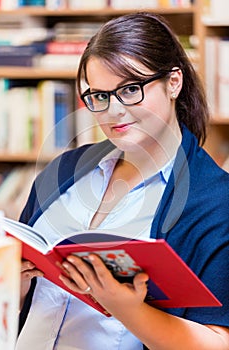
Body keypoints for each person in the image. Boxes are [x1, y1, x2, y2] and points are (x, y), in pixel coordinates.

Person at [17, 12, 229, 350]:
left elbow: (220, 342)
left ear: (173, 82)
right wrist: (15, 286)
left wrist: (128, 310)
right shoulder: (63, 170)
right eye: (98, 96)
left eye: (130, 89)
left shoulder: (215, 201)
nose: (114, 110)